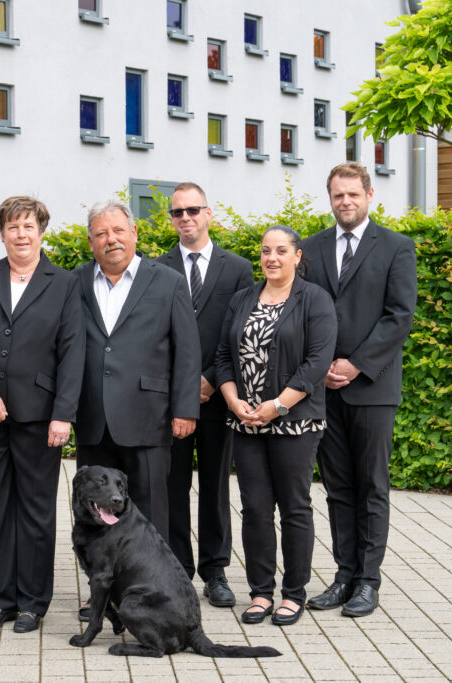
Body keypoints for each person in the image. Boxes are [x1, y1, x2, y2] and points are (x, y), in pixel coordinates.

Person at [0, 196, 85, 634]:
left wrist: (63, 414)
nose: (21, 234)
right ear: (2, 233)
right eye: (13, 227)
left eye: (29, 226)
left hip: (40, 416)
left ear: (41, 231)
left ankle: (32, 602)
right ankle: (1, 598)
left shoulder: (63, 283)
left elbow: (72, 351)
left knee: (36, 510)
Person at [301, 162, 417, 617]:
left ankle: (369, 580)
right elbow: (303, 312)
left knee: (372, 487)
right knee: (337, 488)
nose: (345, 202)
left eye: (353, 194)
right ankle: (344, 575)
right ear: (329, 199)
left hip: (371, 387)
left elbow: (399, 316)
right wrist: (320, 366)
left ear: (369, 195)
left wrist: (356, 364)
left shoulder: (396, 247)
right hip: (323, 388)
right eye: (337, 195)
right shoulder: (309, 249)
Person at [215, 226, 337, 626]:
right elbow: (222, 357)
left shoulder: (314, 299)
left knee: (294, 508)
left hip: (295, 424)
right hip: (245, 424)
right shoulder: (242, 299)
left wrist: (278, 406)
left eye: (281, 251)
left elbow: (317, 362)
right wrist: (234, 402)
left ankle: (294, 593)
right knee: (254, 510)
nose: (272, 258)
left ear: (297, 256)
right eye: (266, 251)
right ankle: (260, 592)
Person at [73, 198, 201, 544]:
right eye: (101, 233)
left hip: (149, 416)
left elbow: (187, 351)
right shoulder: (75, 283)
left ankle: (151, 592)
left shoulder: (168, 282)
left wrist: (185, 408)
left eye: (117, 230)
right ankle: (103, 593)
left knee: (148, 509)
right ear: (90, 243)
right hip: (93, 418)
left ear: (134, 232)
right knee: (95, 511)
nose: (110, 239)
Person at [157, 182, 254, 609]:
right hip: (173, 399)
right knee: (172, 485)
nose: (186, 218)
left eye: (193, 210)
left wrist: (212, 378)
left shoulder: (238, 269)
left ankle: (216, 571)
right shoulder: (156, 268)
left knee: (215, 485)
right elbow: (153, 338)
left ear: (209, 213)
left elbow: (240, 332)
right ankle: (178, 569)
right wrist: (183, 382)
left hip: (219, 394)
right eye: (178, 213)